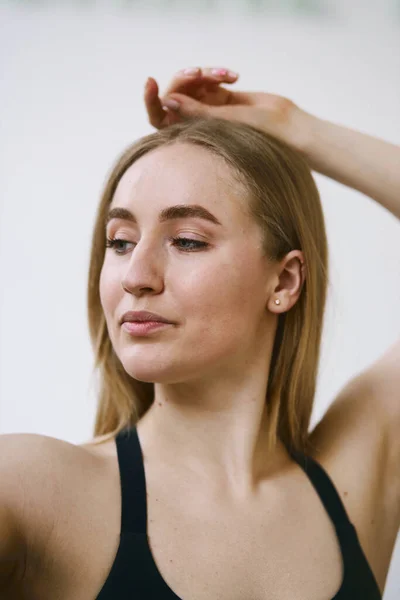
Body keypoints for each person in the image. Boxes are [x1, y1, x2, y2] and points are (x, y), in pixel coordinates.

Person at [0, 66, 399, 599]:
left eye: (186, 240)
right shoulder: (32, 488)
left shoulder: (355, 484)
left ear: (283, 280)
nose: (137, 276)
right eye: (120, 242)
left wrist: (295, 128)